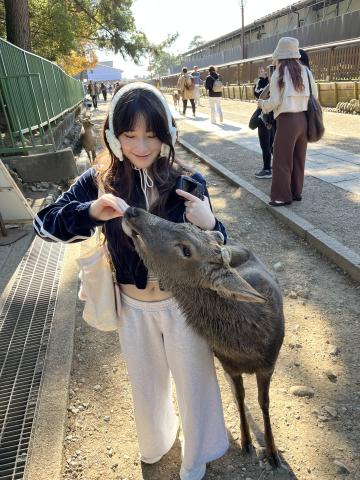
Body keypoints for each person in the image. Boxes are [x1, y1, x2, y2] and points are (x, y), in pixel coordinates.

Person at [33, 82, 229, 480]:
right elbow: (43, 224)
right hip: (132, 306)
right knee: (146, 383)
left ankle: (198, 452)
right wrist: (90, 212)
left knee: (194, 380)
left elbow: (220, 253)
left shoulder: (186, 182)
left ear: (168, 135)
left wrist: (211, 225)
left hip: (183, 306)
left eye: (152, 135)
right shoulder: (99, 180)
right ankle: (157, 440)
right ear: (112, 135)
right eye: (130, 135)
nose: (141, 145)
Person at [257, 37, 317, 206]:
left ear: (280, 52)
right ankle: (296, 192)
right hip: (304, 119)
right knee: (299, 158)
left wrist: (261, 104)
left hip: (286, 121)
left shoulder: (279, 72)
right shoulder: (306, 71)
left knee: (282, 160)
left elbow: (274, 102)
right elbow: (315, 96)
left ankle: (282, 196)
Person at [253, 66, 275, 179]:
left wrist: (264, 81)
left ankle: (267, 169)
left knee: (266, 144)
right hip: (275, 117)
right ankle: (275, 168)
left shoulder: (270, 83)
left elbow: (259, 97)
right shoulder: (279, 82)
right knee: (271, 145)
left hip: (266, 117)